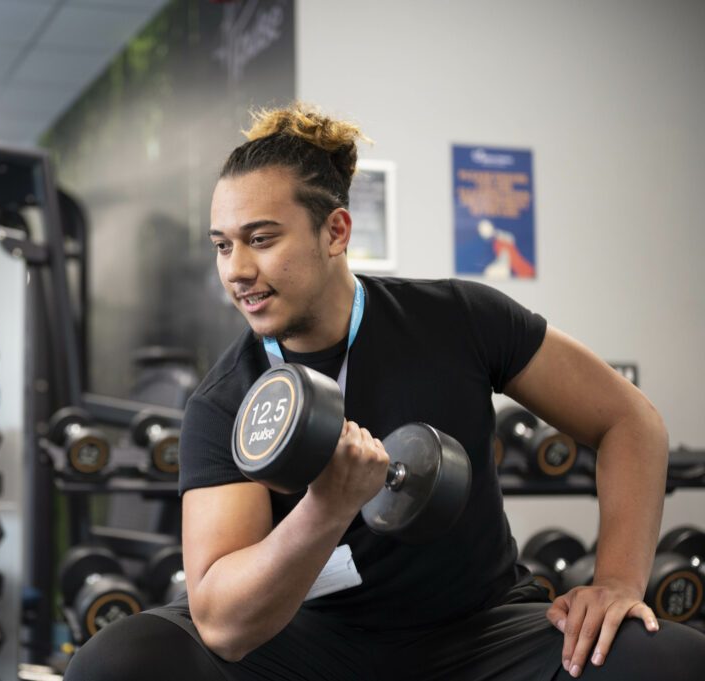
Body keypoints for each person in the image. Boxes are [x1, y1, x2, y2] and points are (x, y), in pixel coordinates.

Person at [63, 104, 705, 681]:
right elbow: (226, 624)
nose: (237, 270)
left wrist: (618, 581)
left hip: (480, 633)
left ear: (336, 232)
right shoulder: (225, 400)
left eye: (261, 239)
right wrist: (327, 507)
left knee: (667, 660)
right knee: (117, 663)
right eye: (223, 246)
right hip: (307, 644)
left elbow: (630, 422)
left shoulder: (460, 318)